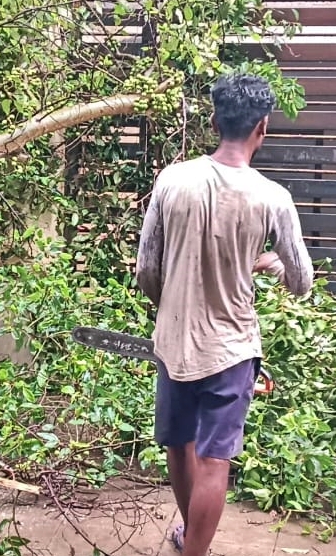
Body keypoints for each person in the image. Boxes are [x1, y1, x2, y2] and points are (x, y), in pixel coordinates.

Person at [134, 73, 314, 555]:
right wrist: (273, 261)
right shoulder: (273, 196)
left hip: (175, 344)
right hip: (232, 347)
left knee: (179, 444)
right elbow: (302, 279)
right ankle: (195, 549)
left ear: (214, 120)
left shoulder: (172, 180)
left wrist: (169, 309)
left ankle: (190, 540)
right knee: (215, 461)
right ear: (264, 127)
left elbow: (146, 268)